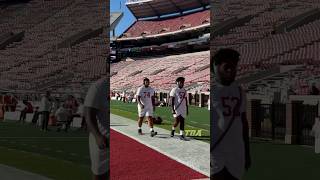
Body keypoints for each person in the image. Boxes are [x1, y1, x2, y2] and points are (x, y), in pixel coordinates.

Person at [211, 48, 251, 180]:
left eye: (234, 67)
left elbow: (244, 123)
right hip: (216, 154)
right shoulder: (213, 92)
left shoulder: (240, 92)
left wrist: (247, 152)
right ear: (215, 67)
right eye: (227, 67)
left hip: (236, 154)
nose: (231, 71)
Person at [84, 78, 108, 180]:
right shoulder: (99, 86)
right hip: (103, 139)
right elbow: (88, 114)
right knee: (100, 174)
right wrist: (97, 136)